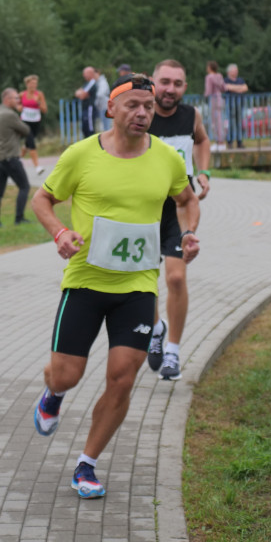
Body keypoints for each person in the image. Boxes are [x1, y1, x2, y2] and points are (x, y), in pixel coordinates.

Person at [30, 74, 200, 499]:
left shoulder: (165, 159)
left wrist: (189, 233)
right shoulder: (81, 155)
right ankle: (53, 394)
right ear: (111, 109)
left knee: (122, 379)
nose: (142, 112)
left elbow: (186, 199)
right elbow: (42, 199)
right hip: (85, 283)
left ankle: (87, 464)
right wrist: (58, 232)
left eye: (147, 106)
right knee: (68, 375)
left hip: (138, 289)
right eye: (133, 106)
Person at [146, 59, 211, 381]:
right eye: (165, 81)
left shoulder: (191, 116)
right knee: (142, 284)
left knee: (175, 278)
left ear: (185, 87)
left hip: (178, 207)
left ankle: (172, 350)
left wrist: (203, 171)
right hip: (142, 208)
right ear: (153, 81)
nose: (171, 89)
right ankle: (156, 329)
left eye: (178, 83)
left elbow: (201, 140)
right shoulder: (141, 115)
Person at [0, 87, 31, 227]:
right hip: (10, 157)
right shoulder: (9, 114)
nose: (18, 100)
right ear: (7, 99)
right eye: (16, 98)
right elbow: (26, 130)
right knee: (24, 186)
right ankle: (19, 218)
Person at [19, 75, 47, 175]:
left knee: (28, 143)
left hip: (36, 122)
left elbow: (44, 109)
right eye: (31, 83)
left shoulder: (39, 94)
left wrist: (38, 102)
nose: (33, 85)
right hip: (25, 121)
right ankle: (37, 167)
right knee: (31, 142)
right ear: (27, 84)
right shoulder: (22, 94)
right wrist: (19, 107)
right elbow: (18, 105)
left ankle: (18, 159)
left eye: (35, 83)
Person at [223, 64, 249, 148]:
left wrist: (232, 88)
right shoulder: (225, 80)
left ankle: (239, 142)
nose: (236, 72)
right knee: (230, 124)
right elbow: (226, 87)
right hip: (230, 105)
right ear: (229, 72)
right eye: (235, 70)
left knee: (239, 123)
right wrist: (239, 88)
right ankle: (230, 142)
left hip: (239, 105)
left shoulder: (240, 79)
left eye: (237, 70)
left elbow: (245, 88)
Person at [204, 60, 226, 150]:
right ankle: (221, 141)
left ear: (210, 68)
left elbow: (208, 90)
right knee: (220, 121)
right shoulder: (219, 76)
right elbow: (224, 87)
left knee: (214, 122)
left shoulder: (209, 77)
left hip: (213, 100)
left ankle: (218, 142)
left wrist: (205, 96)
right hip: (220, 99)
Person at [74, 67, 98, 138]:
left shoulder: (92, 83)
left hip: (90, 108)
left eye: (85, 73)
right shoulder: (86, 83)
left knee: (90, 129)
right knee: (84, 128)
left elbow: (82, 96)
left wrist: (81, 93)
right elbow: (77, 93)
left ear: (90, 73)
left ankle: (93, 145)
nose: (83, 75)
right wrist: (80, 93)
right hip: (85, 108)